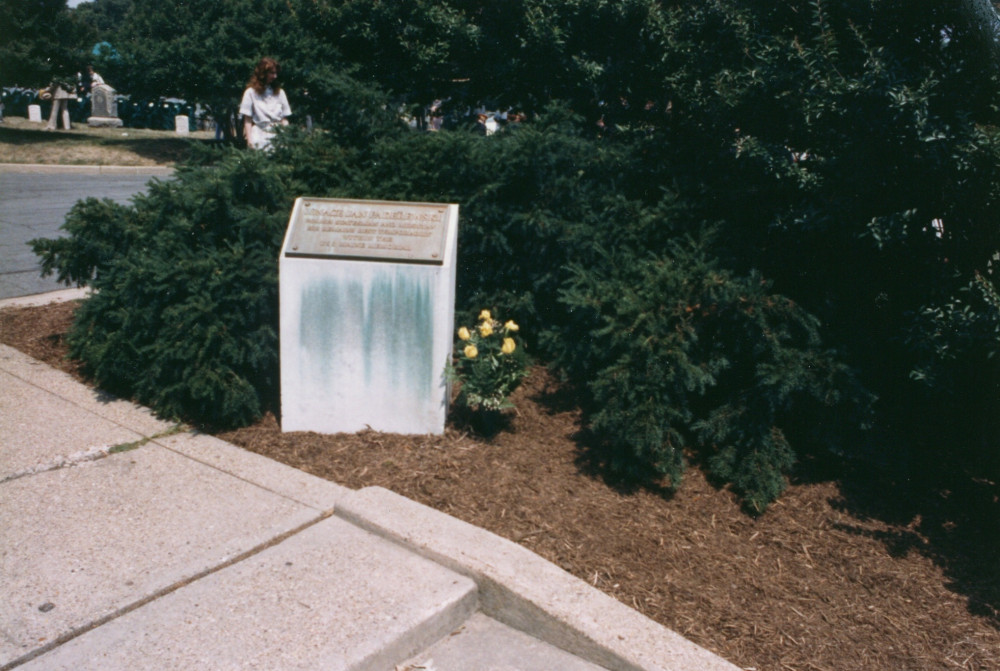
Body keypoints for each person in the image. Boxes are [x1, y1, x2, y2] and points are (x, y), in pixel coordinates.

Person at [239, 57, 291, 150]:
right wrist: (249, 141)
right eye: (272, 73)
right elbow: (247, 120)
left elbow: (284, 119)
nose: (275, 76)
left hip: (278, 136)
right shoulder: (250, 93)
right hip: (259, 136)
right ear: (263, 74)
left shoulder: (280, 93)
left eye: (276, 73)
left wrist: (287, 138)